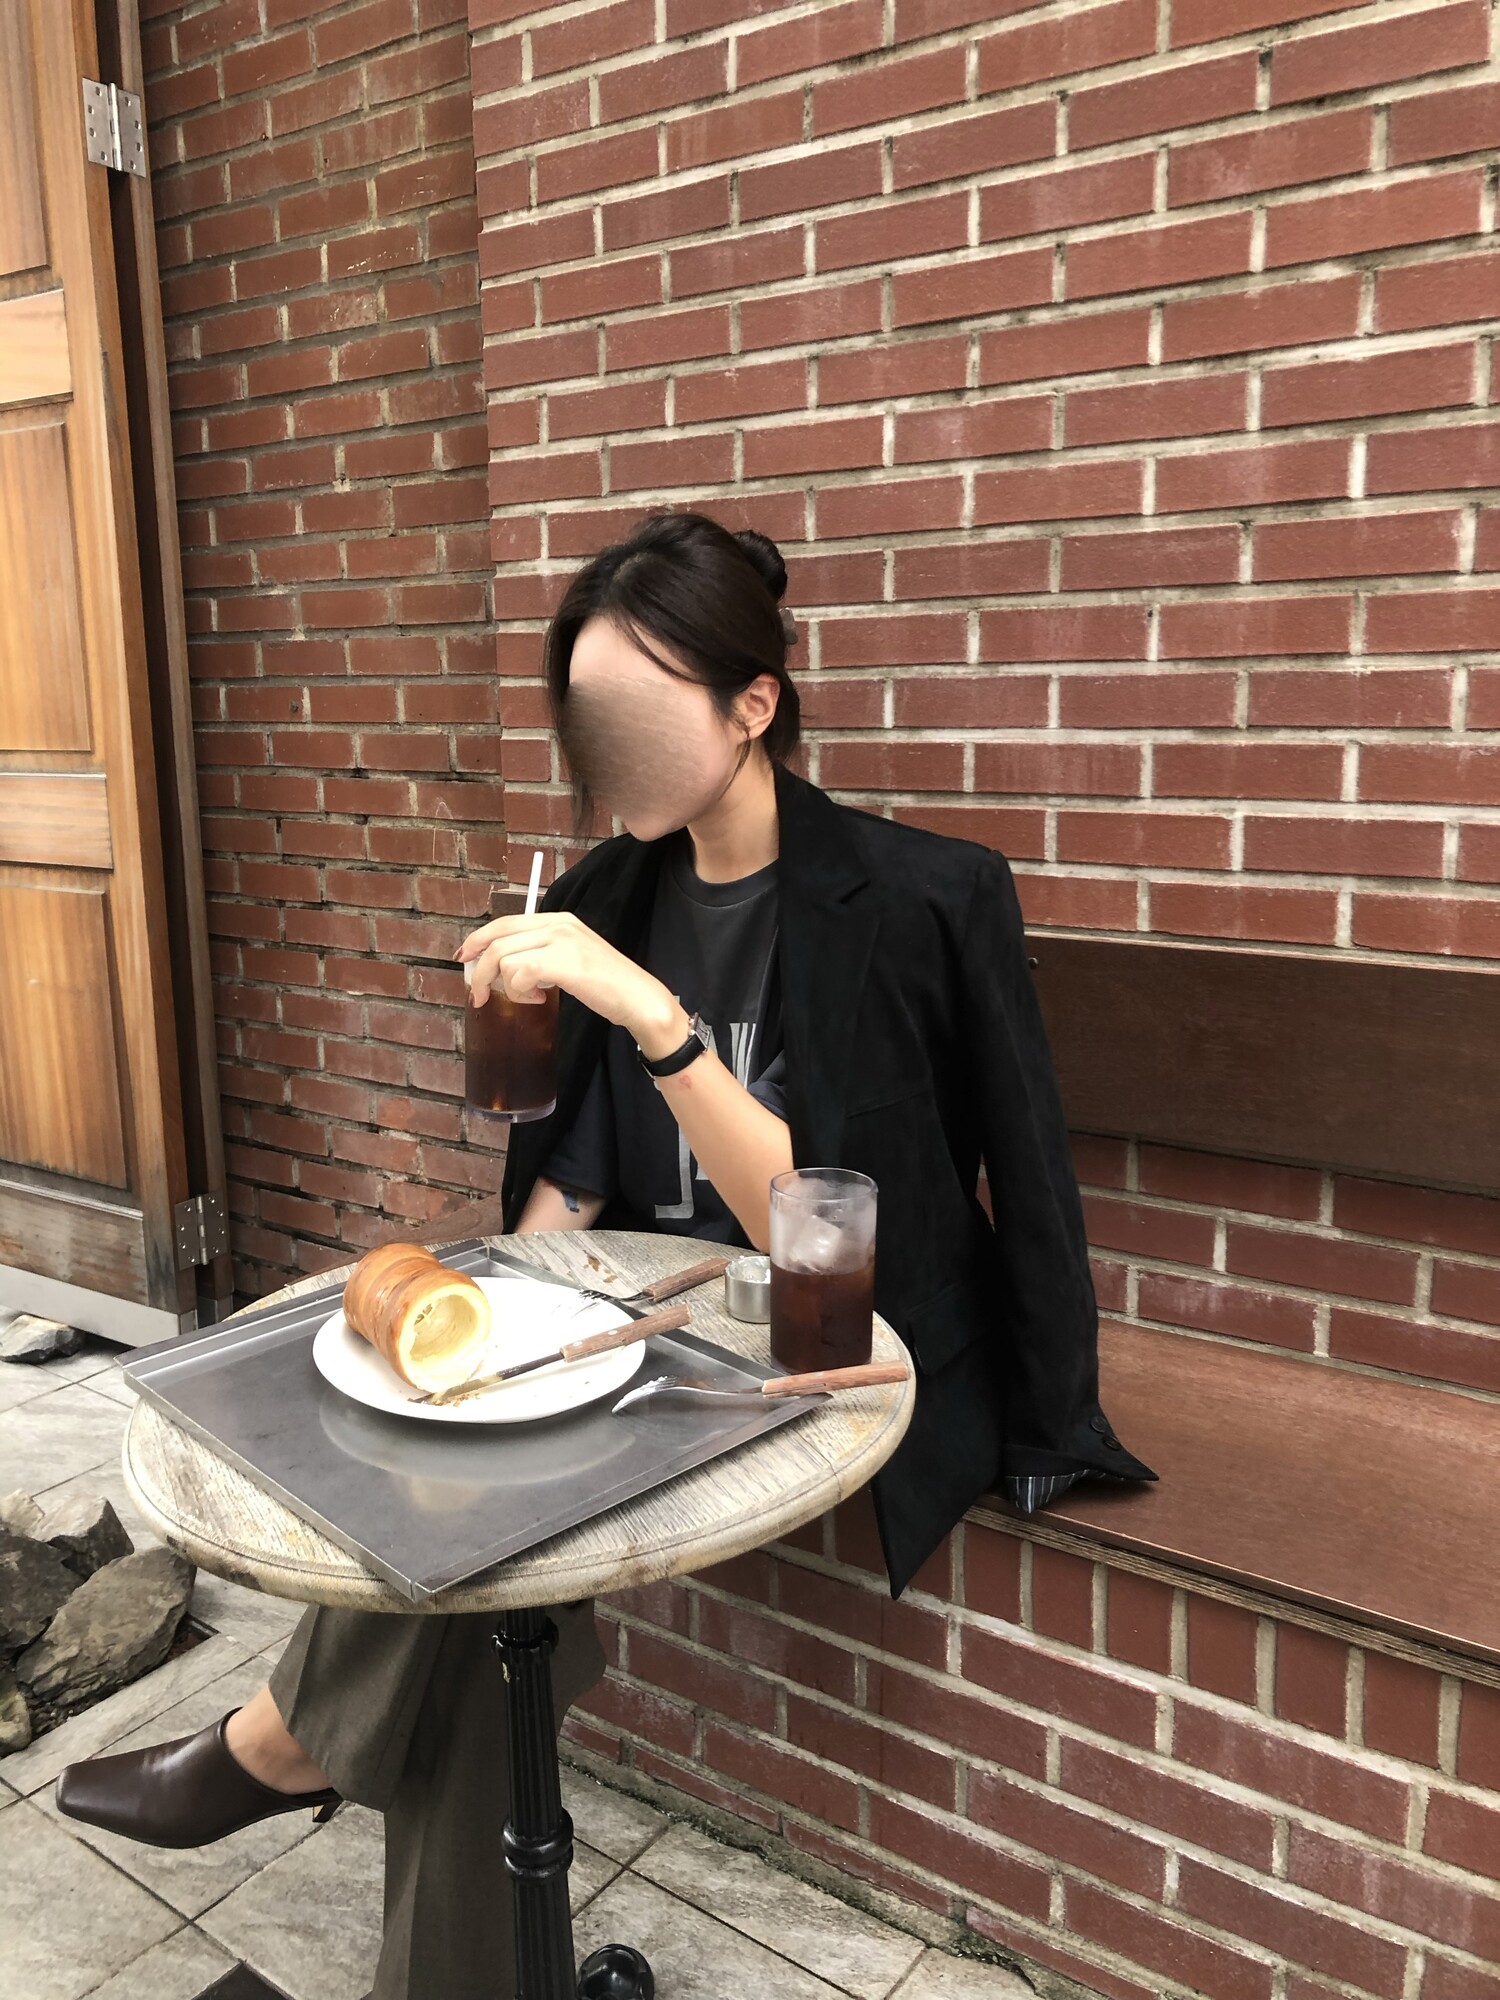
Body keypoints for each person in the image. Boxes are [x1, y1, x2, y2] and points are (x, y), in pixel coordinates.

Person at [53, 510, 1154, 1998]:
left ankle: (278, 1744)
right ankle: (336, 1812)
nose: (604, 758)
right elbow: (567, 1180)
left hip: (810, 1343)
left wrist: (657, 1019)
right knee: (448, 1498)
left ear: (753, 704)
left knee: (478, 1553)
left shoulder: (922, 897)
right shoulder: (594, 895)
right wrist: (499, 1316)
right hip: (636, 1327)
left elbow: (864, 1219)